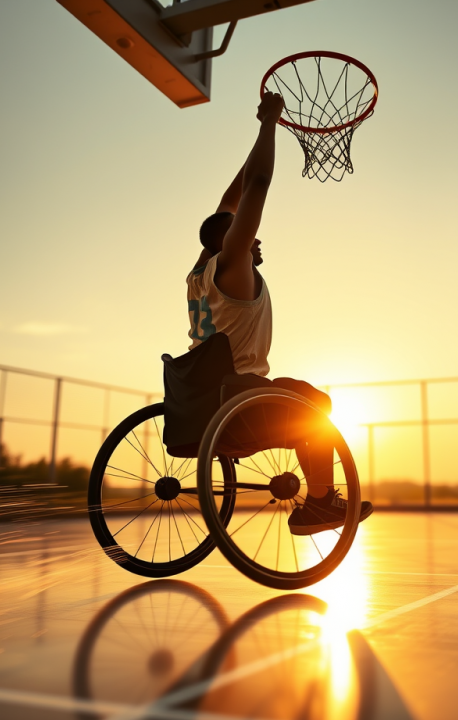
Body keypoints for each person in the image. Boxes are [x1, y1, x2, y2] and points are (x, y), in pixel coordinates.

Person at [186, 91, 372, 536]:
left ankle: (321, 498)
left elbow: (230, 202)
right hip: (239, 404)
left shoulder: (199, 271)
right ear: (232, 241)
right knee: (317, 404)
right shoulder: (231, 266)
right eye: (249, 234)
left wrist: (260, 132)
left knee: (302, 396)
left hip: (207, 401)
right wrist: (270, 122)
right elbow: (256, 188)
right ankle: (321, 503)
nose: (257, 239)